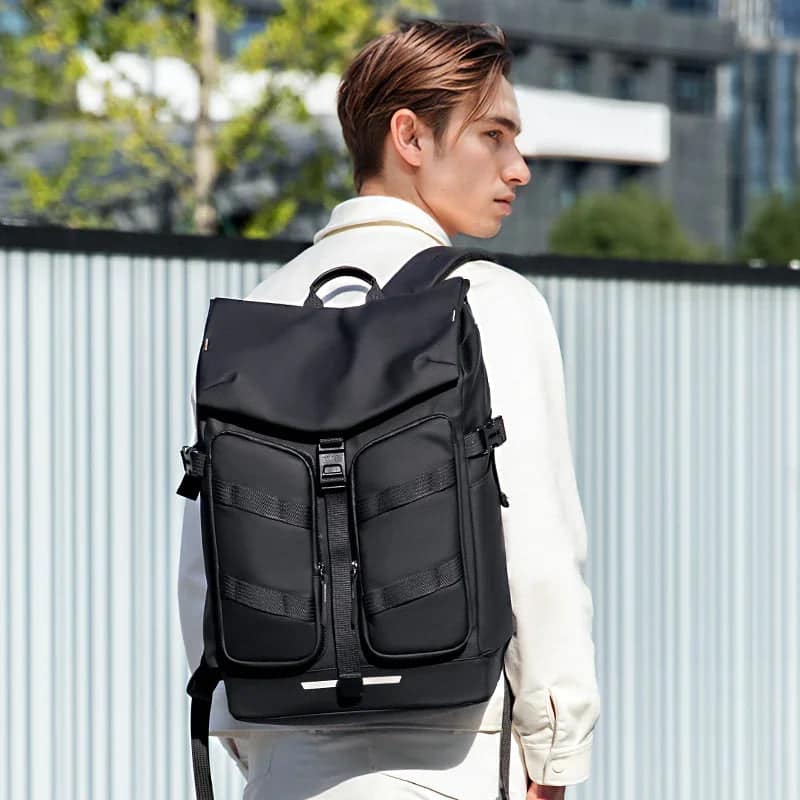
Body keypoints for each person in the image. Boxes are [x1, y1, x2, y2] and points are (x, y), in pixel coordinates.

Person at [178, 19, 601, 800]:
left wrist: (265, 748)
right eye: (494, 135)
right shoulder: (488, 301)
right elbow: (538, 551)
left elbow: (206, 568)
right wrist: (556, 757)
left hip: (286, 769)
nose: (519, 166)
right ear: (409, 136)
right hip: (456, 757)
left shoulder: (258, 315)